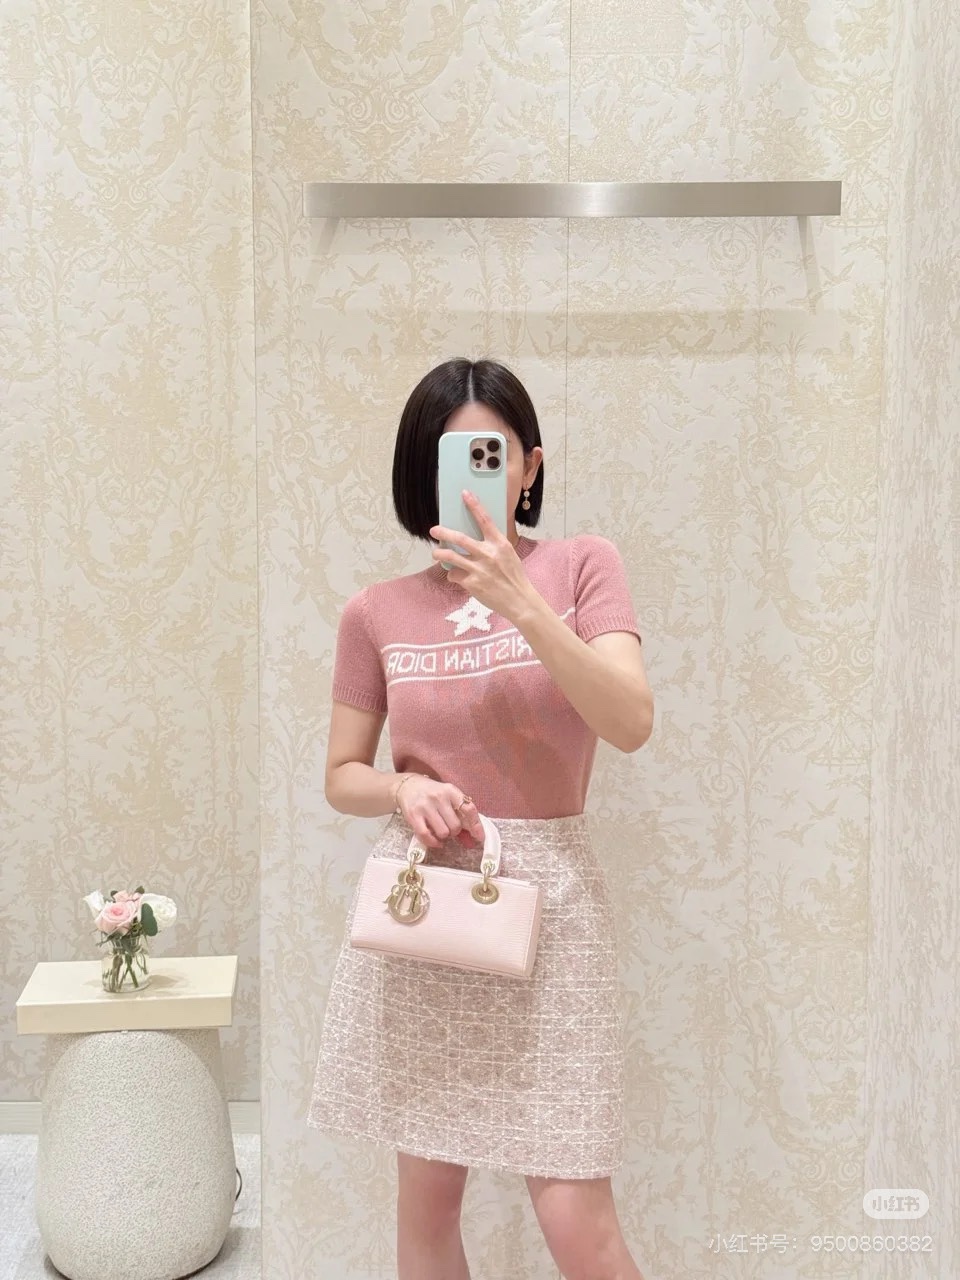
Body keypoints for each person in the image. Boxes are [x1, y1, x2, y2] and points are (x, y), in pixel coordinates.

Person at [308, 357, 655, 1280]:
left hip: (556, 914)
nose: (470, 478)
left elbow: (630, 721)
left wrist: (521, 603)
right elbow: (342, 775)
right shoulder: (375, 613)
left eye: (492, 455)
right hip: (426, 910)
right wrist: (400, 791)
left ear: (530, 466)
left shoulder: (582, 568)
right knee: (427, 1204)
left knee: (576, 1215)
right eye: (449, 456)